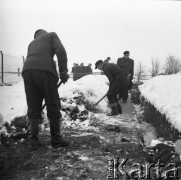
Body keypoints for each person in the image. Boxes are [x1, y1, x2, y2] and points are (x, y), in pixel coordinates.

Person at [22, 29, 69, 149]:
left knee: (33, 105)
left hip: (27, 71)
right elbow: (61, 51)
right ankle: (56, 139)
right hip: (45, 72)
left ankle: (34, 140)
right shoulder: (52, 35)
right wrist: (63, 71)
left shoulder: (31, 43)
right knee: (52, 103)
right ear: (45, 33)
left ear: (36, 36)